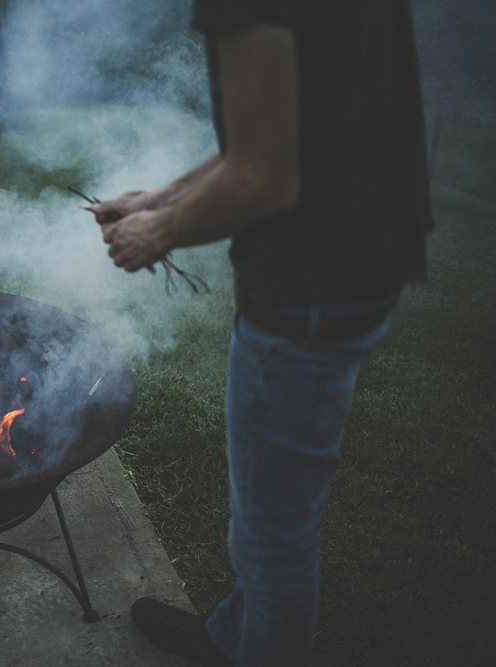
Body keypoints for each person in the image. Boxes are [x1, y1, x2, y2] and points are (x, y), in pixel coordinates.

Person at [91, 2, 432, 666]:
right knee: (274, 516)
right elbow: (281, 128)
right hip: (362, 261)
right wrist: (159, 197)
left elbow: (263, 177)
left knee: (273, 542)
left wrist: (153, 233)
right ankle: (229, 637)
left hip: (309, 287)